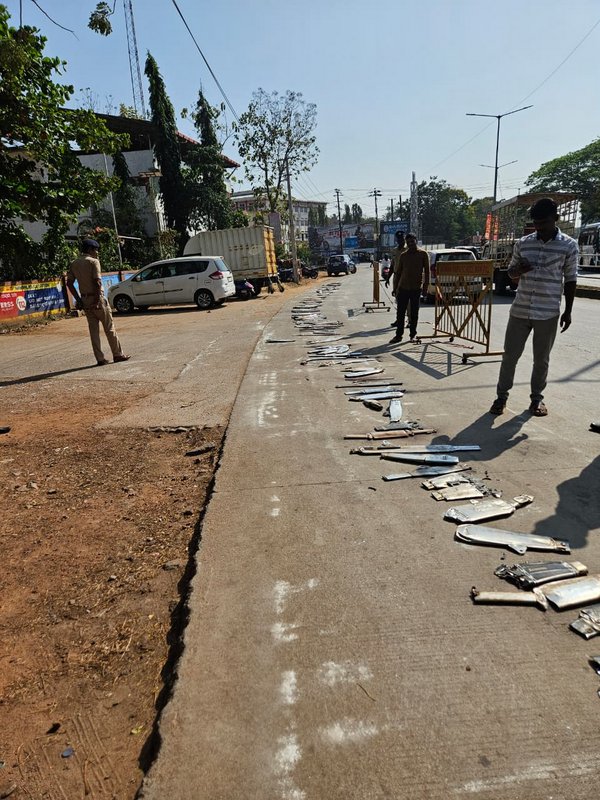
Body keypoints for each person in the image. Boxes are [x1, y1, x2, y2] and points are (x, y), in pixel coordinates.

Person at [489, 197, 578, 417]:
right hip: (520, 309)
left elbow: (571, 279)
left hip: (547, 312)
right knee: (510, 356)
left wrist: (568, 311)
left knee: (541, 360)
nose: (539, 228)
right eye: (536, 224)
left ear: (555, 219)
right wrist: (519, 269)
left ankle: (536, 399)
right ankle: (501, 397)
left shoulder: (568, 245)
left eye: (543, 223)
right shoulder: (523, 243)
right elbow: (510, 273)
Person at [66, 239, 130, 366]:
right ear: (90, 249)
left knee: (93, 331)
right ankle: (117, 354)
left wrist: (79, 300)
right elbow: (97, 282)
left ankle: (100, 358)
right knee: (109, 328)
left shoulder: (74, 263)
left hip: (85, 300)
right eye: (96, 250)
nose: (97, 253)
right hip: (98, 300)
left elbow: (69, 283)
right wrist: (96, 301)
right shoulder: (93, 262)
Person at [389, 233, 429, 343]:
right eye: (409, 242)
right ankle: (398, 335)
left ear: (416, 241)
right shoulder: (403, 256)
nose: (411, 244)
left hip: (416, 289)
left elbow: (427, 272)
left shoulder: (423, 254)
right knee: (400, 313)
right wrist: (395, 288)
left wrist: (425, 288)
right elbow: (398, 273)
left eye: (412, 241)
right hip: (403, 288)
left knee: (414, 313)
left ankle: (413, 334)